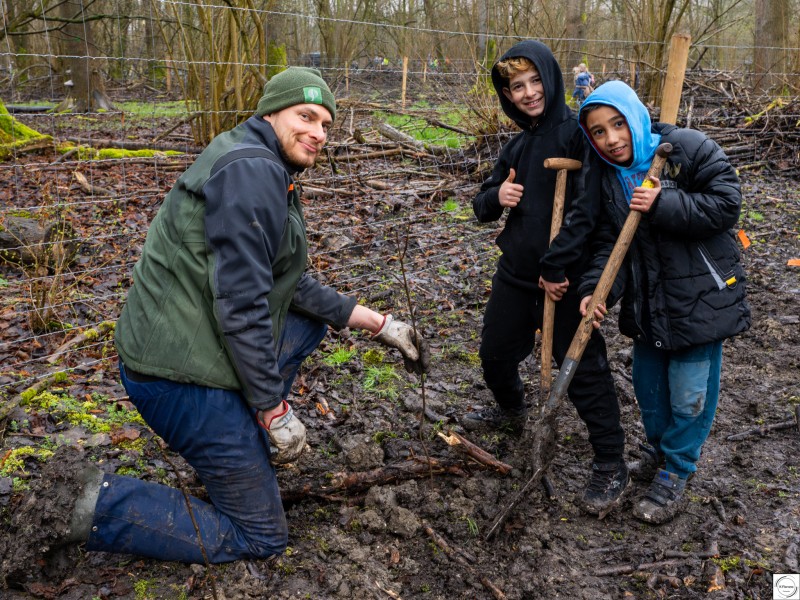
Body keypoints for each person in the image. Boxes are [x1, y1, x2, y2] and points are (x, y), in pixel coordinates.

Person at [3, 67, 429, 576]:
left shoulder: (259, 161)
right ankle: (93, 505)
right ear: (271, 112)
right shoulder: (253, 173)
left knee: (311, 322)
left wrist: (382, 325)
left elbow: (286, 284)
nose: (319, 132)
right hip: (177, 376)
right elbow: (243, 305)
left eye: (327, 125)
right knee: (261, 535)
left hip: (181, 346)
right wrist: (274, 411)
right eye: (306, 116)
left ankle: (240, 439)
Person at [463, 40, 627, 516]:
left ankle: (610, 461)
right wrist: (499, 196)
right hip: (515, 275)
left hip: (564, 281)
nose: (529, 93)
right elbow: (478, 205)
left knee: (584, 372)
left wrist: (558, 268)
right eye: (518, 86)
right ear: (507, 95)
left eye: (536, 81)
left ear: (552, 80)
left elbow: (587, 211)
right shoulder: (516, 145)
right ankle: (512, 409)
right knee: (494, 354)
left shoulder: (579, 136)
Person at [577, 80, 750, 524]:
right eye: (598, 131)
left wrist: (664, 202)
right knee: (649, 391)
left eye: (618, 124)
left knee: (690, 393)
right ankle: (657, 450)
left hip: (700, 303)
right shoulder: (606, 177)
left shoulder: (686, 149)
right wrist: (596, 293)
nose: (611, 139)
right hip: (647, 307)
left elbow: (726, 205)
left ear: (635, 116)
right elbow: (608, 245)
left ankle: (678, 468)